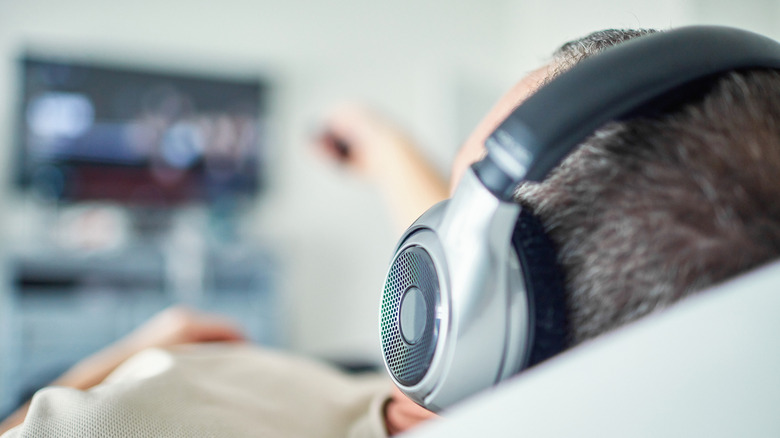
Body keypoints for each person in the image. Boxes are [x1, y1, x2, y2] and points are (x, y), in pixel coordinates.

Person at [4, 27, 780, 437]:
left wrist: (104, 366)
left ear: (468, 335)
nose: (424, 245)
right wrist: (377, 144)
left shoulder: (128, 417)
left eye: (444, 225)